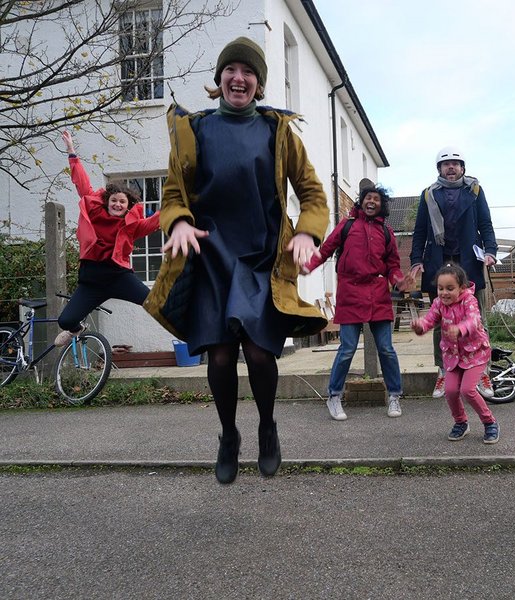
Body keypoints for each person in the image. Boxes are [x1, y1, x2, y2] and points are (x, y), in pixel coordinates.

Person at [144, 37, 329, 485]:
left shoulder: (277, 131)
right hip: (212, 258)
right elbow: (172, 193)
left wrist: (306, 231)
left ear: (259, 84)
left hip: (261, 259)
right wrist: (180, 223)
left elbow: (311, 193)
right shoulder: (197, 130)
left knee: (261, 355)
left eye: (249, 72)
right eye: (232, 70)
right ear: (220, 79)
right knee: (221, 358)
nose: (239, 78)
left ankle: (267, 426)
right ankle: (229, 435)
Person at [303, 180, 412, 420]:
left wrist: (399, 280)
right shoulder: (346, 225)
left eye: (377, 199)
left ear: (382, 205)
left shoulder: (386, 231)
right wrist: (307, 266)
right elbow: (325, 250)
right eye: (368, 198)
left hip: (378, 294)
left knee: (386, 349)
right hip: (350, 294)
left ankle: (394, 395)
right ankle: (334, 396)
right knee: (347, 349)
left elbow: (393, 264)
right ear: (361, 202)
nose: (372, 202)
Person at [55, 130, 160, 346]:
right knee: (66, 320)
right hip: (91, 281)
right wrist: (72, 152)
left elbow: (155, 221)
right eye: (114, 200)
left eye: (122, 202)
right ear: (107, 201)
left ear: (127, 206)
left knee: (156, 304)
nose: (117, 204)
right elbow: (82, 184)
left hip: (119, 277)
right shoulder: (94, 213)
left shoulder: (131, 226)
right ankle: (77, 329)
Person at [410, 147, 498, 400]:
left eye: (456, 164)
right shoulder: (428, 195)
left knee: (476, 318)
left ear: (462, 168)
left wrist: (490, 251)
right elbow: (419, 231)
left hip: (468, 262)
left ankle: (482, 371)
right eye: (446, 164)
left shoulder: (475, 191)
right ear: (439, 169)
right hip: (439, 263)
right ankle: (444, 371)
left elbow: (485, 224)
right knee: (440, 320)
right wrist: (416, 259)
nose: (451, 168)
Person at [411, 263, 499, 444]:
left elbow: (474, 320)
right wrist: (420, 326)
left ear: (462, 288)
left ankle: (490, 422)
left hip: (475, 353)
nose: (444, 293)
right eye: (440, 288)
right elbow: (429, 320)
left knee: (467, 390)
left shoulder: (469, 300)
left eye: (450, 288)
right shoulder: (438, 304)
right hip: (452, 355)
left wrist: (460, 329)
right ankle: (461, 423)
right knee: (450, 390)